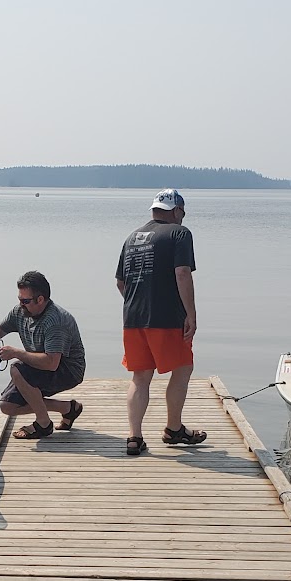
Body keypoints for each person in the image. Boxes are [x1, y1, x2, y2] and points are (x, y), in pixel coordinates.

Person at [116, 188, 204, 456]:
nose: (183, 217)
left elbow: (120, 282)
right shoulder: (180, 233)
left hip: (132, 318)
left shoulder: (132, 237)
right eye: (182, 213)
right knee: (183, 368)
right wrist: (191, 313)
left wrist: (138, 301)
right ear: (176, 211)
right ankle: (174, 428)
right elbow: (182, 273)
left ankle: (134, 437)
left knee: (140, 377)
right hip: (166, 317)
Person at [0, 270, 87, 439]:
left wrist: (16, 353)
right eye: (19, 299)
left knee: (17, 368)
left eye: (25, 301)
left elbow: (51, 363)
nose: (21, 304)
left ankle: (43, 424)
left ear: (40, 299)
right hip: (42, 365)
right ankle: (68, 409)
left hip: (68, 370)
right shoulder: (21, 312)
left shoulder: (55, 321)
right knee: (7, 406)